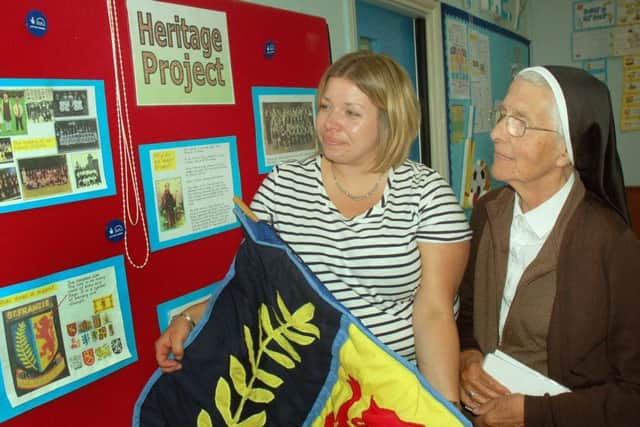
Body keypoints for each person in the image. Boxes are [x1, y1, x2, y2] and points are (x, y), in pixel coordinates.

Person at [155, 50, 472, 404]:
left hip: (392, 389)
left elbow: (434, 312)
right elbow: (252, 285)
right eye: (325, 107)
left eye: (351, 112)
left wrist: (446, 407)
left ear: (390, 120)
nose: (329, 123)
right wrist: (190, 318)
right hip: (303, 387)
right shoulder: (282, 186)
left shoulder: (427, 194)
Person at [456, 65, 640, 427]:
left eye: (518, 122)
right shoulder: (487, 214)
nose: (496, 133)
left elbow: (632, 394)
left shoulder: (613, 247)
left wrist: (533, 413)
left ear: (565, 151)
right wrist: (467, 356)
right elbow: (467, 314)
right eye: (501, 115)